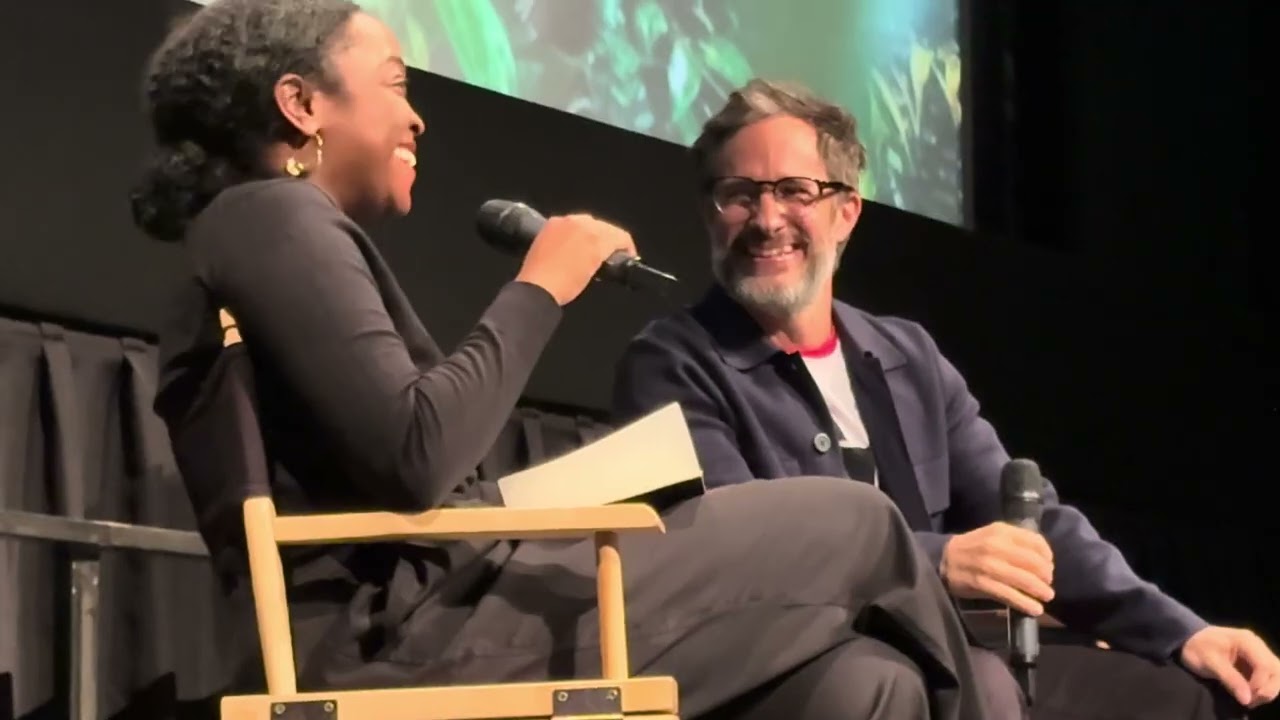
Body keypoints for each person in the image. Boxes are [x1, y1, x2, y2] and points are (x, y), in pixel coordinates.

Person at [131, 2, 999, 718]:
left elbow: (399, 464)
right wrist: (543, 282)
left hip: (448, 601)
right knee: (858, 524)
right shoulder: (269, 217)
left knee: (864, 682)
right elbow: (417, 454)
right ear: (301, 104)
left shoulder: (266, 229)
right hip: (399, 636)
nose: (416, 115)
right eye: (395, 83)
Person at [610, 78, 1280, 720]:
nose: (766, 219)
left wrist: (1181, 632)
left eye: (794, 191)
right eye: (738, 195)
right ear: (708, 214)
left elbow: (1032, 526)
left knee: (1187, 693)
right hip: (795, 668)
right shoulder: (671, 364)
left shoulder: (907, 356)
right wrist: (937, 561)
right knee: (937, 683)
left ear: (846, 213)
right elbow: (740, 555)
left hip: (948, 653)